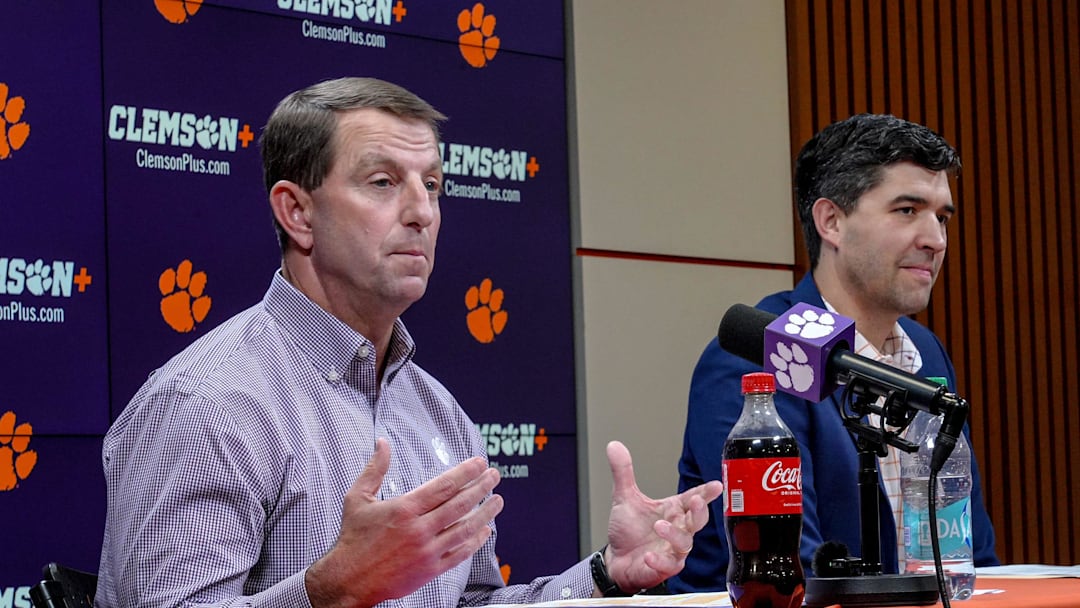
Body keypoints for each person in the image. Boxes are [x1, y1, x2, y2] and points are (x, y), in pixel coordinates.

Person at [95, 76, 722, 608]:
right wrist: (330, 590)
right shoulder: (209, 403)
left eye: (432, 184)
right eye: (382, 182)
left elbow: (473, 604)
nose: (422, 211)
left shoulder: (439, 413)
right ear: (297, 212)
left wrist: (606, 575)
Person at [668, 114, 999, 592]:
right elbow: (795, 576)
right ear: (832, 221)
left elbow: (970, 556)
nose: (935, 240)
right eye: (908, 210)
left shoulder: (926, 352)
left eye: (942, 217)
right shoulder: (759, 355)